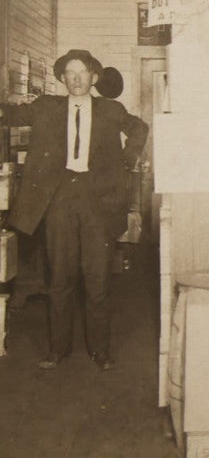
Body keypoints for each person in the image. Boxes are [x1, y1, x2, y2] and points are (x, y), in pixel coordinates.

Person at [0, 48, 148, 371]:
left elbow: (140, 128)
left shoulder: (111, 110)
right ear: (62, 78)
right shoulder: (46, 108)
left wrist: (127, 157)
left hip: (98, 201)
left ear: (94, 77)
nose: (77, 79)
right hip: (60, 198)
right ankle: (58, 349)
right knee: (60, 275)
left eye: (83, 73)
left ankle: (100, 351)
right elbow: (11, 115)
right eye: (70, 73)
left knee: (97, 277)